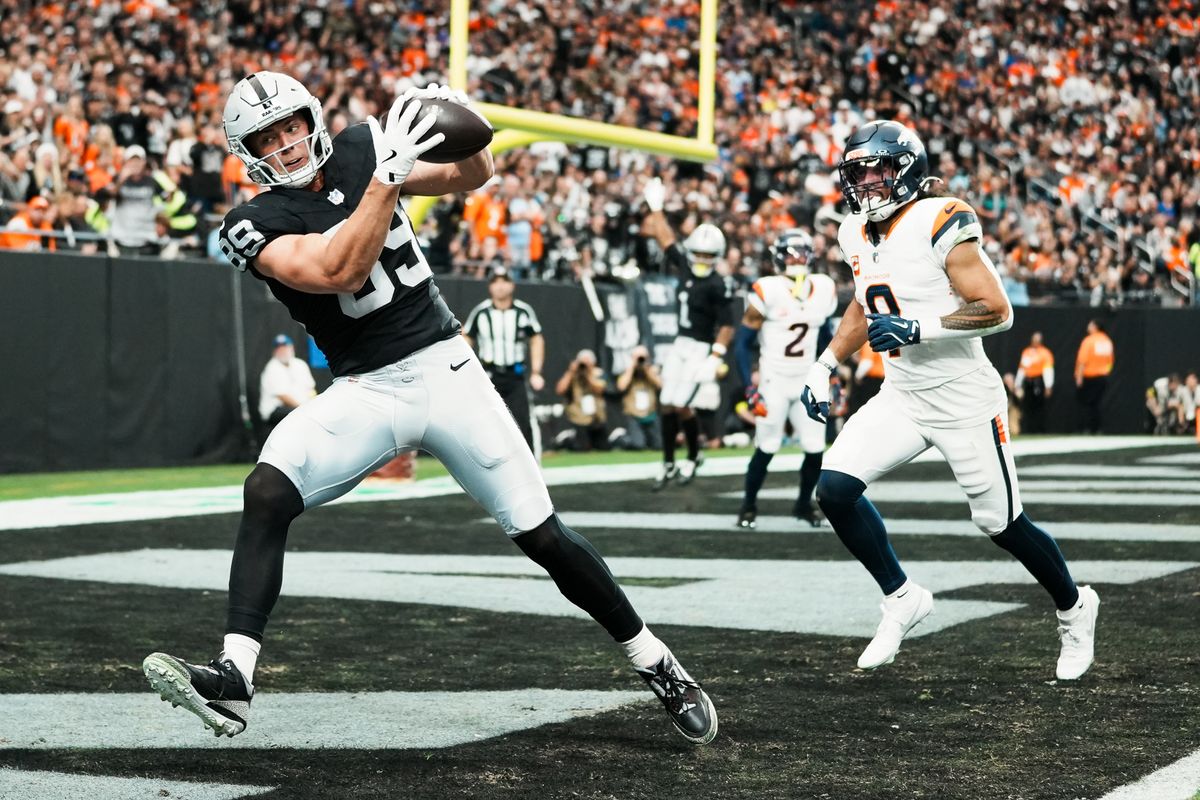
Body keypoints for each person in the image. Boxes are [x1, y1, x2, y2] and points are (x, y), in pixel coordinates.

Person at [141, 72, 716, 747]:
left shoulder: (361, 148)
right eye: (267, 136)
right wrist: (386, 177)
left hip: (447, 371)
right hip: (367, 390)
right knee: (267, 488)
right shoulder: (252, 222)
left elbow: (470, 174)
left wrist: (459, 123)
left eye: (291, 124)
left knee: (542, 536)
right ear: (247, 150)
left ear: (311, 119)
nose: (286, 142)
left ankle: (656, 661)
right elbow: (338, 273)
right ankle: (236, 675)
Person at [801, 120, 1099, 680]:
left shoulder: (940, 218)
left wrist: (918, 327)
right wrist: (824, 364)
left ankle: (1075, 607)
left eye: (877, 170)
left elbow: (997, 309)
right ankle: (902, 596)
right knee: (835, 489)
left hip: (964, 398)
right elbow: (865, 304)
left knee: (1002, 524)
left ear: (906, 168)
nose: (865, 183)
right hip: (904, 394)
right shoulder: (852, 232)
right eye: (857, 173)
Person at [732, 228, 838, 529]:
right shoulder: (767, 289)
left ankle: (803, 505)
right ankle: (748, 505)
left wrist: (833, 372)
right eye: (791, 253)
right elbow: (741, 344)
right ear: (778, 257)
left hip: (807, 378)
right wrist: (749, 387)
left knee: (816, 448)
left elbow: (826, 337)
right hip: (773, 380)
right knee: (766, 447)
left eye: (802, 253)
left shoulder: (823, 287)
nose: (797, 259)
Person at [640, 177, 736, 490]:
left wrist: (716, 355)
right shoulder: (684, 265)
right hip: (681, 343)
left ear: (718, 256)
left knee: (680, 404)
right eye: (699, 253)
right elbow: (665, 237)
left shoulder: (718, 284)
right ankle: (668, 462)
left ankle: (693, 456)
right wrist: (656, 207)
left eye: (709, 255)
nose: (702, 259)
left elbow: (727, 325)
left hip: (700, 347)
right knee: (667, 402)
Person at [462, 268, 545, 451]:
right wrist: (466, 369)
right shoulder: (481, 312)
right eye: (495, 282)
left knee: (523, 423)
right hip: (489, 377)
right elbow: (467, 338)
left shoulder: (523, 311)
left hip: (515, 376)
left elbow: (536, 338)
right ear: (490, 287)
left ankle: (530, 469)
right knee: (486, 423)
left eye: (504, 281)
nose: (500, 286)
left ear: (512, 285)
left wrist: (536, 372)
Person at [258, 334, 317, 432]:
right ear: (275, 351)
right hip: (275, 410)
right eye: (279, 348)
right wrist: (304, 409)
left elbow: (311, 389)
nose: (283, 351)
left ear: (291, 347)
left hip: (300, 407)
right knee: (301, 417)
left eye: (285, 347)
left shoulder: (300, 364)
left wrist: (314, 405)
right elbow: (283, 397)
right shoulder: (272, 368)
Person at [555, 349, 608, 451]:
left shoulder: (598, 374)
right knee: (582, 448)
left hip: (596, 417)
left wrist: (588, 374)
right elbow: (560, 390)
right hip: (579, 418)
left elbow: (600, 389)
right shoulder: (572, 375)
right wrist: (570, 372)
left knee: (604, 447)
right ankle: (567, 440)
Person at [614, 344, 662, 451]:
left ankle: (647, 439)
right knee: (638, 445)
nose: (640, 360)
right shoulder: (627, 371)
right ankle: (620, 437)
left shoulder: (652, 371)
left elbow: (660, 385)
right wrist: (632, 367)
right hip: (633, 414)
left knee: (659, 445)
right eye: (638, 357)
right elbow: (621, 386)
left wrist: (647, 369)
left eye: (643, 357)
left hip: (650, 414)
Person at [1074, 319, 1114, 434]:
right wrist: (1105, 372)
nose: (1088, 326)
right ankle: (1097, 429)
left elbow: (1082, 361)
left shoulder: (1089, 341)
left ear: (1095, 326)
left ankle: (1085, 428)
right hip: (1102, 377)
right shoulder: (1107, 341)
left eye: (1090, 324)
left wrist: (1079, 377)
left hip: (1089, 377)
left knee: (1085, 404)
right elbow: (1110, 362)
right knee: (1096, 404)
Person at [1014, 331, 1054, 434]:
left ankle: (1040, 430)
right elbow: (1022, 369)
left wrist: (1048, 386)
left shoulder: (1045, 353)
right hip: (1028, 382)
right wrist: (1017, 384)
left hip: (1039, 381)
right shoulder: (1027, 352)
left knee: (1039, 407)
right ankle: (1029, 430)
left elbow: (1048, 370)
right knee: (1028, 406)